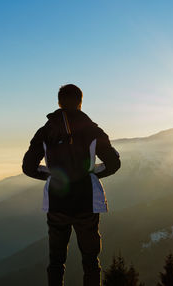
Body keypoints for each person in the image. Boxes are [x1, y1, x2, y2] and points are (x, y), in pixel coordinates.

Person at [22, 84, 121, 286]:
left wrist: (54, 177)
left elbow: (28, 168)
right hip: (87, 203)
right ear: (80, 102)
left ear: (59, 102)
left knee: (56, 261)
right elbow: (113, 163)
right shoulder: (93, 130)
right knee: (91, 261)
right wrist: (90, 174)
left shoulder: (45, 132)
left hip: (57, 203)